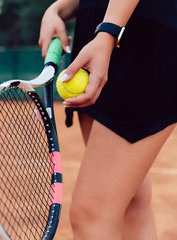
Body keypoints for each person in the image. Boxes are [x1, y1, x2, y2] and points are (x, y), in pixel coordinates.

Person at [39, 0, 177, 239]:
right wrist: (56, 10)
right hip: (98, 34)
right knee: (130, 203)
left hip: (136, 36)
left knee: (91, 216)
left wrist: (110, 31)